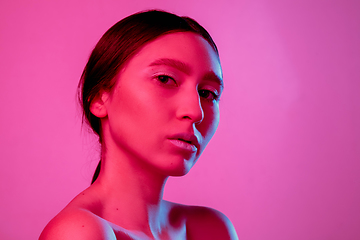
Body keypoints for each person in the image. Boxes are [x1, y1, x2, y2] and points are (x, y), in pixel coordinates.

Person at [39, 10, 238, 240]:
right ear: (100, 97)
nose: (195, 112)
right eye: (165, 79)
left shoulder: (211, 230)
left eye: (207, 93)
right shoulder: (79, 233)